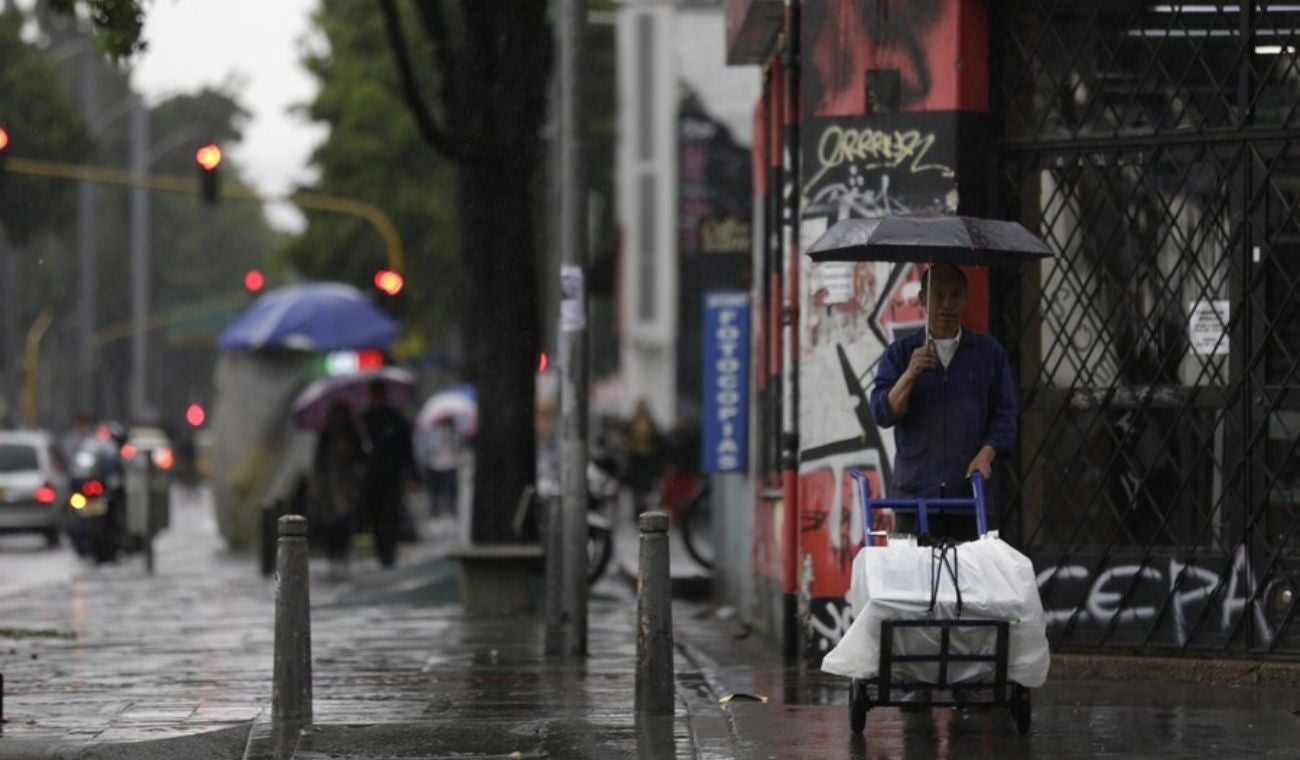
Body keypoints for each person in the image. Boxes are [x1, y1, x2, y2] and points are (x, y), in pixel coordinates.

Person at [869, 263, 1018, 541]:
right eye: (938, 295)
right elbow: (883, 413)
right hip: (914, 499)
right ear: (922, 300)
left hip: (969, 500)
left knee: (967, 583)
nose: (947, 304)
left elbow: (1006, 415)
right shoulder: (899, 354)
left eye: (955, 295)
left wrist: (986, 454)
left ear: (965, 298)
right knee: (914, 583)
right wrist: (910, 374)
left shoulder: (988, 354)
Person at [361, 380, 417, 568]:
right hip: (372, 477)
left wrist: (412, 474)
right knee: (376, 516)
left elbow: (406, 449)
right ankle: (381, 552)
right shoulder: (365, 421)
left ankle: (388, 553)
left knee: (390, 514)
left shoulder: (396, 420)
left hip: (391, 476)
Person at [312, 402, 365, 578]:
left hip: (346, 488)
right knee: (330, 525)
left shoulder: (352, 434)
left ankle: (343, 556)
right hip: (328, 489)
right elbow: (318, 462)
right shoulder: (325, 435)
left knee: (345, 524)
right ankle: (332, 557)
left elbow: (361, 458)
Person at [624, 398, 662, 516]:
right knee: (636, 488)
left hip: (648, 460)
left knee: (646, 487)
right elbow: (626, 438)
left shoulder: (651, 423)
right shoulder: (631, 423)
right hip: (636, 460)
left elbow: (658, 441)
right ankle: (637, 511)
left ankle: (644, 509)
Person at [424, 418, 462, 518]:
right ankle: (435, 511)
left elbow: (458, 446)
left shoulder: (454, 433)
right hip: (435, 465)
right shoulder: (432, 432)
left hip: (450, 465)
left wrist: (452, 448)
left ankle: (451, 510)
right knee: (435, 491)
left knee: (451, 490)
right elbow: (428, 447)